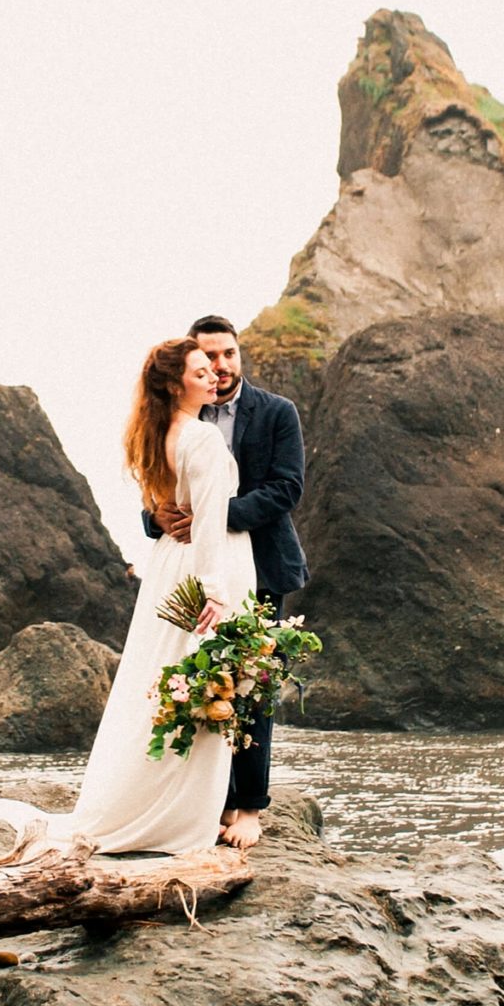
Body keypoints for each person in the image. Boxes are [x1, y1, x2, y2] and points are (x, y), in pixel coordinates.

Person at [66, 337, 256, 856]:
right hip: (203, 566)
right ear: (176, 385)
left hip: (170, 565)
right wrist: (214, 593)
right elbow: (211, 521)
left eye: (212, 369)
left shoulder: (156, 434)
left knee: (163, 682)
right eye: (200, 372)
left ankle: (143, 795)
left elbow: (169, 508)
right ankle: (178, 813)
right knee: (205, 685)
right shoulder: (202, 439)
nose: (214, 376)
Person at [145, 314, 307, 850]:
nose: (220, 366)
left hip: (259, 569)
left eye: (229, 354)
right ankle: (206, 802)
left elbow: (287, 489)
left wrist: (218, 513)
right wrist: (158, 519)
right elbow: (158, 496)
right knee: (196, 687)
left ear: (240, 355)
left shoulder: (278, 413)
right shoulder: (177, 419)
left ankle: (249, 808)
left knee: (251, 689)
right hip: (195, 575)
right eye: (209, 357)